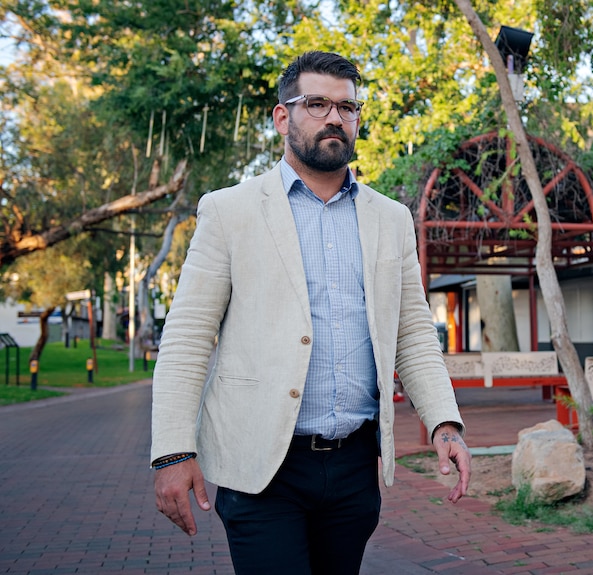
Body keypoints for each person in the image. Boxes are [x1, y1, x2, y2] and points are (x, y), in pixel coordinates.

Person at [151, 51, 471, 575]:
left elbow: (413, 335)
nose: (334, 118)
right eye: (316, 103)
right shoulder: (228, 211)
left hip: (353, 470)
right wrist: (171, 452)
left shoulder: (389, 219)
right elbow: (186, 339)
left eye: (348, 107)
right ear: (283, 117)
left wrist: (444, 425)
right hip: (262, 467)